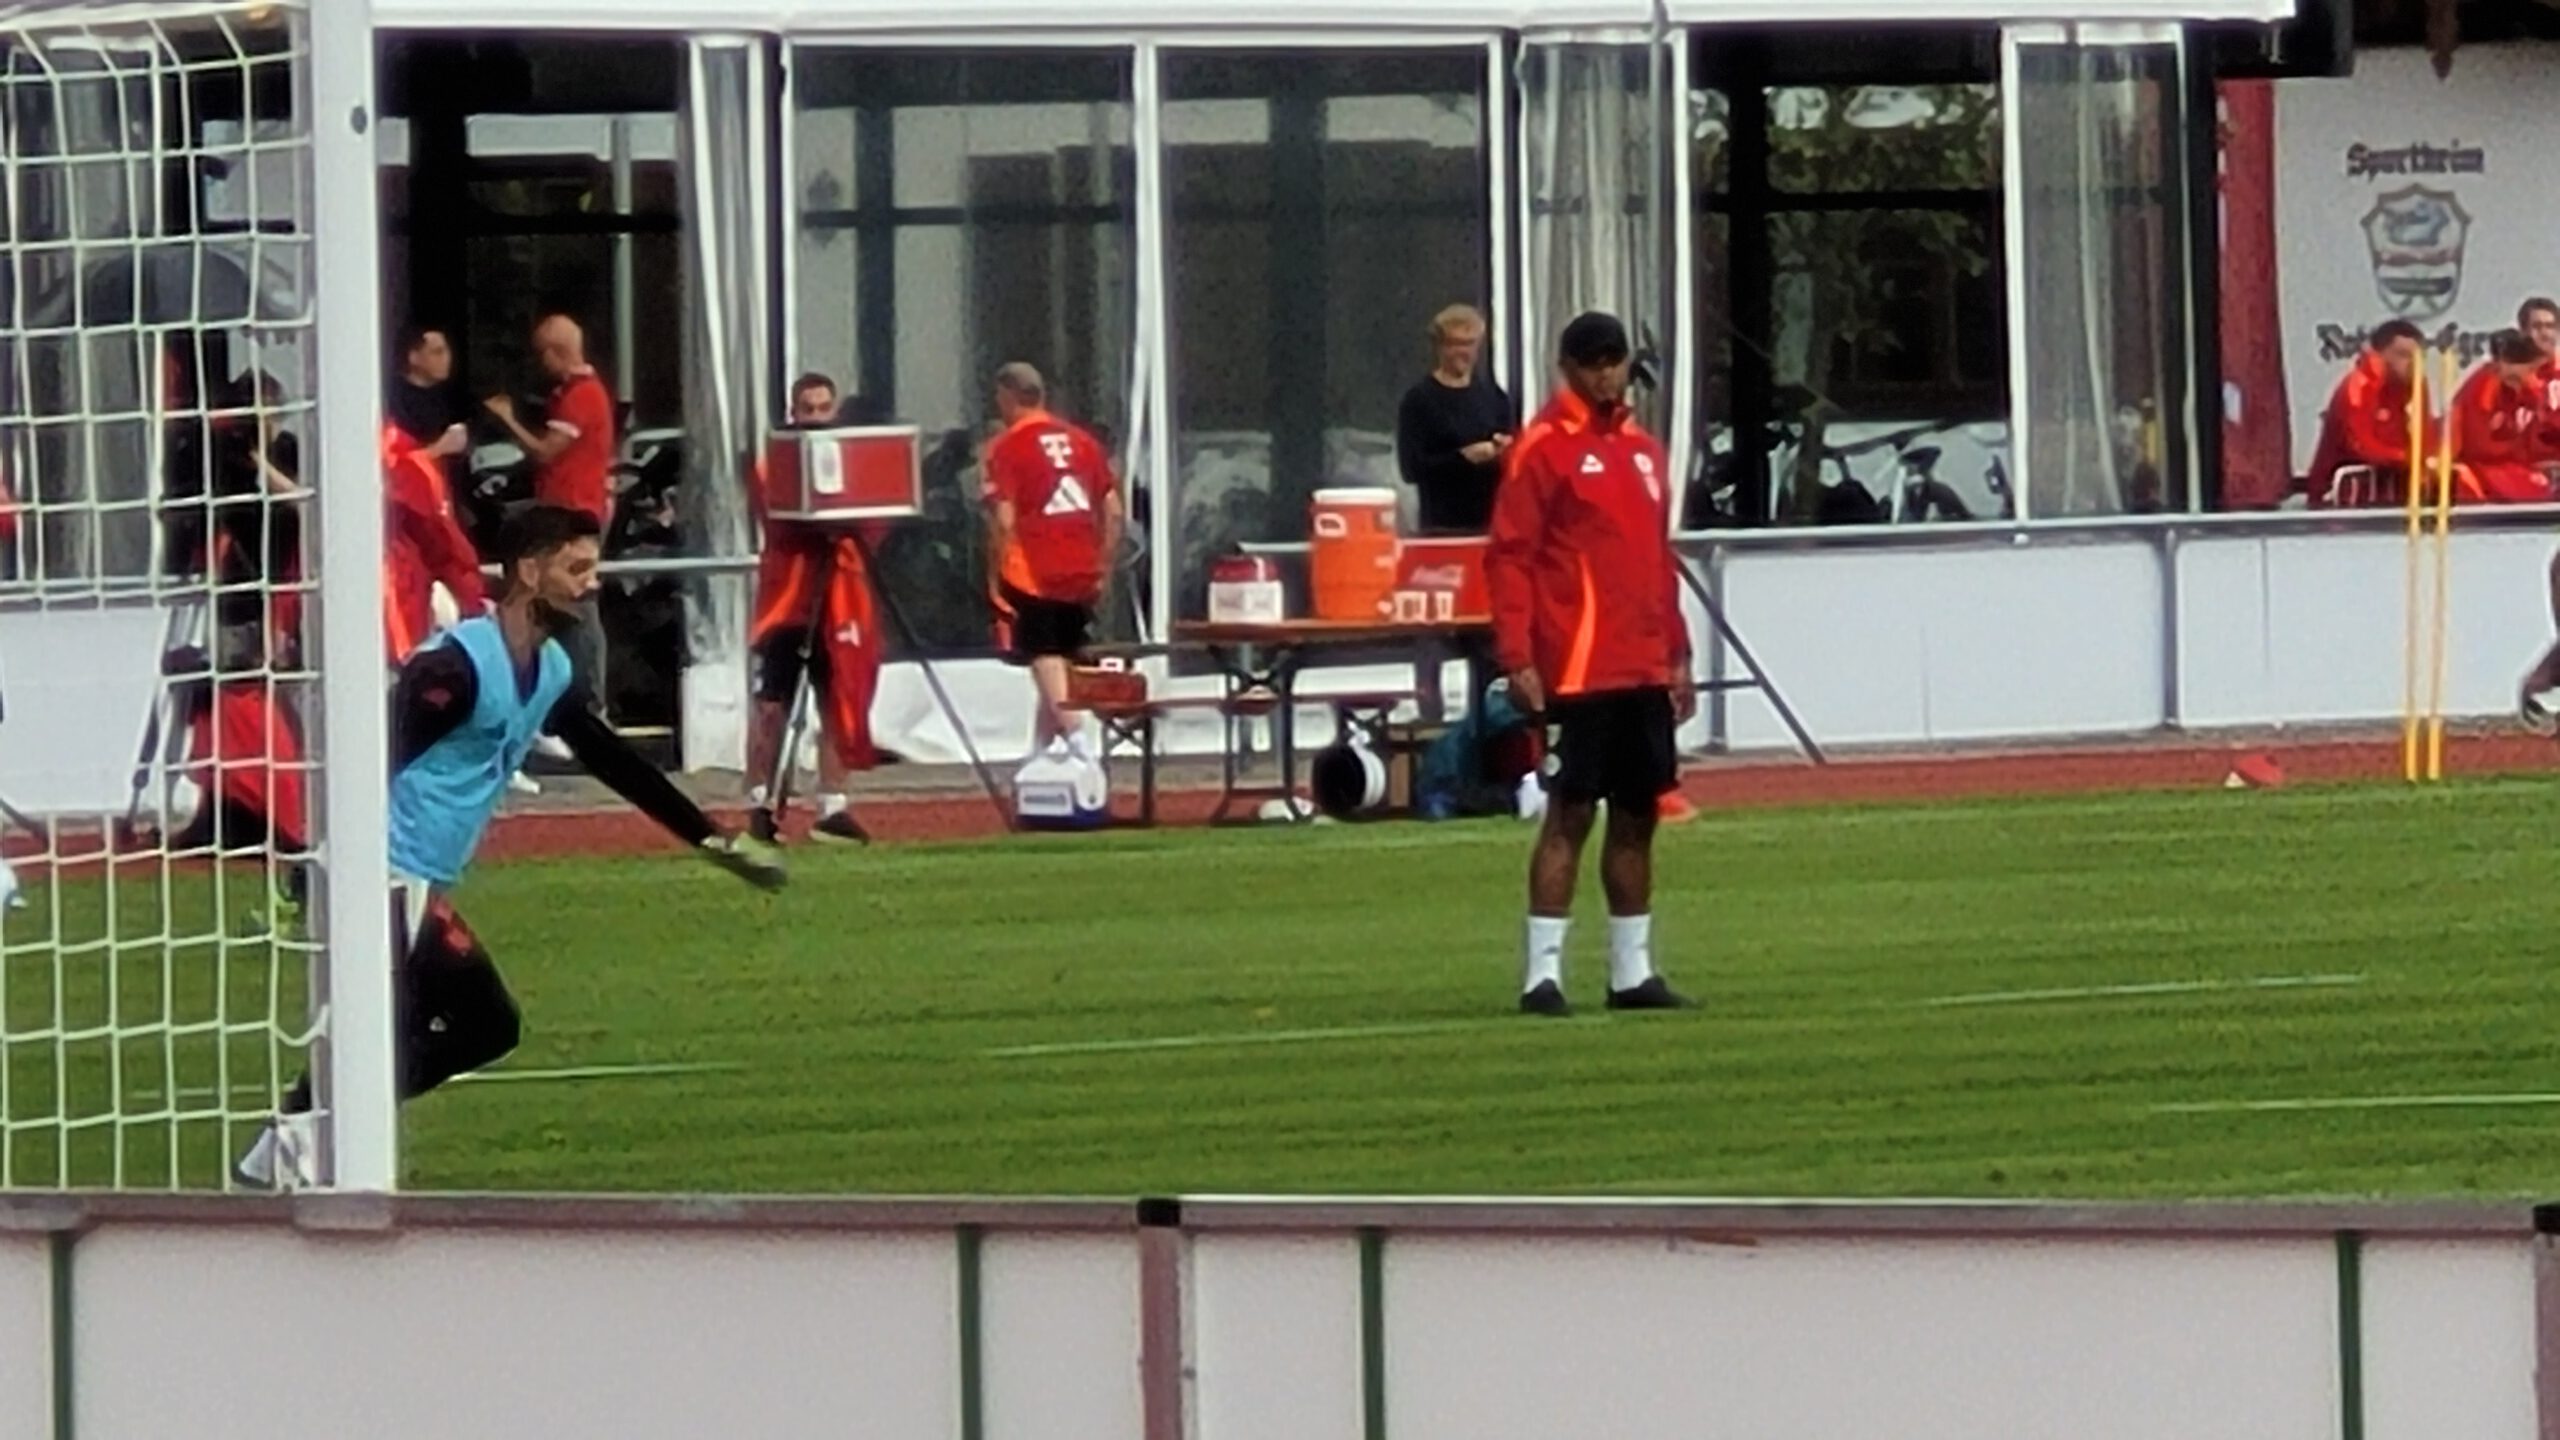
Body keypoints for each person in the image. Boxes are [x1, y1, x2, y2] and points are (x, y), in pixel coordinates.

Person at [233, 505, 785, 1189]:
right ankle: (303, 1147)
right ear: (530, 570)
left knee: (458, 1026)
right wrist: (308, 872)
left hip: (414, 880)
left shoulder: (548, 668)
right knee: (461, 1021)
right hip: (377, 872)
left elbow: (613, 760)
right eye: (576, 567)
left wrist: (709, 838)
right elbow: (365, 759)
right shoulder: (454, 667)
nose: (592, 583)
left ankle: (284, 1149)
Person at [1486, 311, 1694, 1018]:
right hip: (1577, 666)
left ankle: (1632, 971)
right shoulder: (1542, 447)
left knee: (1639, 816)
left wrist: (1678, 652)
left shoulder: (1642, 449)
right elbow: (1510, 556)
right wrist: (1517, 655)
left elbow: (1657, 563)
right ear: (1568, 366)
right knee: (1570, 814)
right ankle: (1541, 974)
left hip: (1641, 665)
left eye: (1615, 361)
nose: (1606, 374)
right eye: (1594, 362)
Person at [746, 372, 880, 846]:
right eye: (809, 410)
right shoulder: (774, 464)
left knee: (836, 699)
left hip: (839, 595)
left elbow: (872, 522)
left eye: (825, 409)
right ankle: (760, 799)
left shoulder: (850, 461)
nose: (818, 420)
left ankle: (833, 807)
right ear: (794, 413)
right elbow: (778, 518)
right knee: (772, 704)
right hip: (788, 599)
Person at [982, 363, 1122, 747]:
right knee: (1059, 659)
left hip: (1033, 568)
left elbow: (1005, 519)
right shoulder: (1083, 443)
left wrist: (994, 573)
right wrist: (1104, 565)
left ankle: (1079, 744)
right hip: (1081, 565)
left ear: (1008, 396)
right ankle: (1040, 756)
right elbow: (1114, 511)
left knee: (1043, 656)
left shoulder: (1007, 447)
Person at [483, 314, 617, 717]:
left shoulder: (581, 397)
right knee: (557, 600)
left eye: (543, 354)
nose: (540, 365)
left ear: (556, 352)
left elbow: (547, 450)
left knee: (578, 601)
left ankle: (590, 703)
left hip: (575, 512)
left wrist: (507, 419)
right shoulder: (575, 394)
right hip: (566, 508)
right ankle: (557, 698)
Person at [1394, 304, 1515, 534]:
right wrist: (1463, 457)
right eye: (1456, 344)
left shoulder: (1494, 395)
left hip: (1492, 525)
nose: (1464, 352)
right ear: (1439, 347)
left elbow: (1515, 452)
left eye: (1470, 344)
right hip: (1442, 528)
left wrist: (1504, 449)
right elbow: (1410, 469)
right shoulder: (1419, 400)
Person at [2304, 320, 2426, 507]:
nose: (2412, 364)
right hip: (2339, 500)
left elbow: (2426, 434)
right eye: (2403, 355)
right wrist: (2409, 458)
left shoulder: (2412, 387)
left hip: (2387, 495)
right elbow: (2362, 447)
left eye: (2417, 357)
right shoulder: (2359, 387)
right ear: (2379, 354)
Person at [2450, 330, 2554, 506]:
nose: (2531, 376)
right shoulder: (2481, 389)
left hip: (2515, 465)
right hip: (2482, 467)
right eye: (2528, 369)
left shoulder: (2529, 387)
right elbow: (2482, 448)